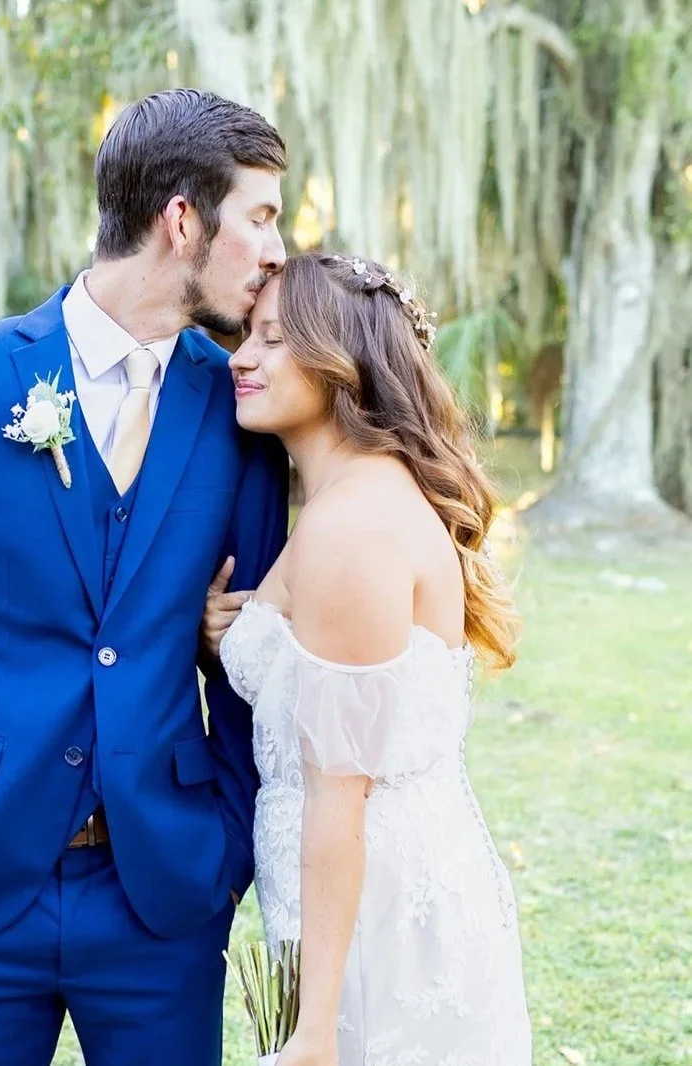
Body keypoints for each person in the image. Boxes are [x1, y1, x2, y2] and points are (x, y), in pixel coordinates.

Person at [0, 89, 289, 1066]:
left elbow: (257, 647)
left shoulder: (243, 413)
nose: (275, 251)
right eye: (260, 216)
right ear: (183, 218)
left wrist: (223, 850)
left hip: (164, 891)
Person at [204, 252, 533, 1064]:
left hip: (373, 931)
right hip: (358, 903)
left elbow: (338, 794)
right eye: (247, 333)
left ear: (341, 361)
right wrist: (227, 634)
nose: (242, 356)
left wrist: (314, 1032)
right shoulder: (351, 498)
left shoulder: (350, 525)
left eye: (275, 339)